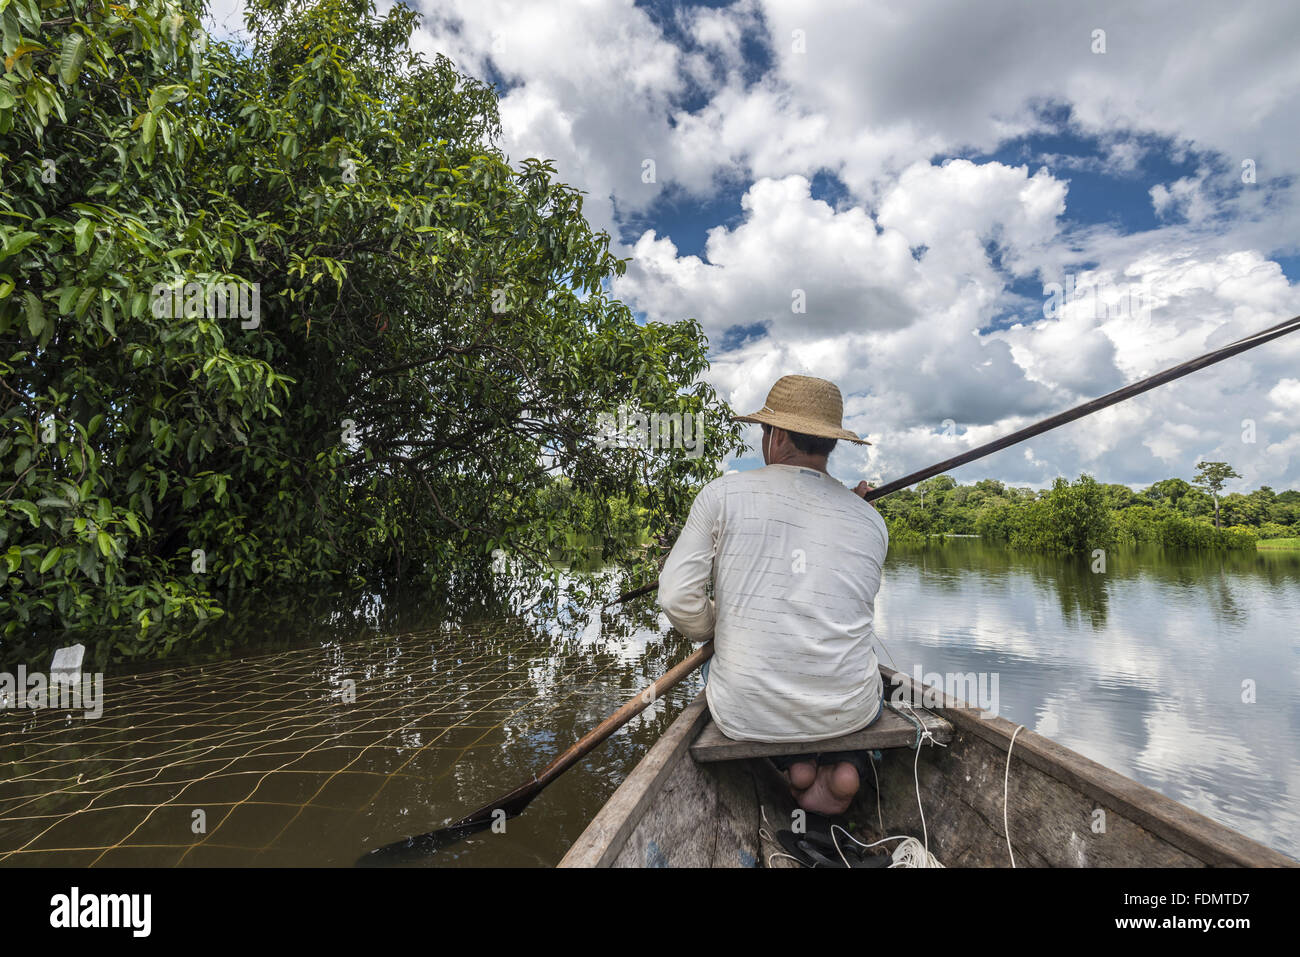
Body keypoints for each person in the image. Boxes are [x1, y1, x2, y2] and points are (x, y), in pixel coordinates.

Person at [658, 374, 888, 816]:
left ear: (776, 435)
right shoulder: (870, 521)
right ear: (830, 445)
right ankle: (841, 761)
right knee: (859, 686)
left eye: (765, 431)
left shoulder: (721, 494)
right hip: (852, 709)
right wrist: (858, 508)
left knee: (728, 677)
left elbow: (677, 598)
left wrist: (715, 629)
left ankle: (792, 763)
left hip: (744, 715)